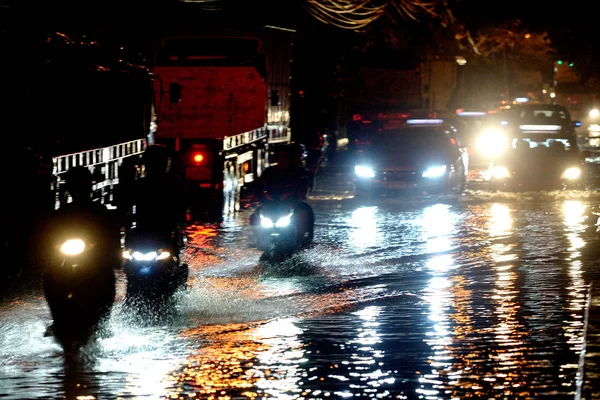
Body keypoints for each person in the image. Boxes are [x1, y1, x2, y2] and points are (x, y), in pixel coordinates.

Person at [251, 143, 314, 243]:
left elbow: (304, 188)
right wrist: (258, 198)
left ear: (291, 158)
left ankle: (300, 241)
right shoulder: (269, 171)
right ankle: (260, 240)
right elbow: (260, 187)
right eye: (280, 157)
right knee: (255, 217)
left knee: (303, 214)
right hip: (271, 204)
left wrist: (294, 200)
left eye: (286, 157)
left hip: (291, 204)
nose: (283, 159)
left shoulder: (300, 172)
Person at [129, 145, 186, 248]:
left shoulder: (141, 184)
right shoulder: (173, 182)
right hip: (149, 232)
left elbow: (182, 205)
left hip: (161, 231)